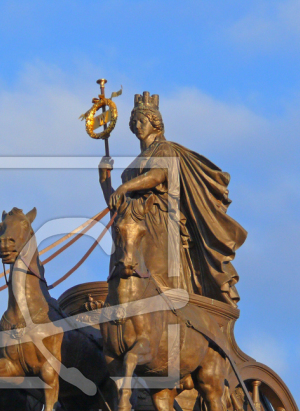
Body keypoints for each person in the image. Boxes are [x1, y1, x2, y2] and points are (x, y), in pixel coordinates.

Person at [99, 92, 247, 306]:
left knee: (158, 279)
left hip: (158, 223)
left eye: (142, 121)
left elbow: (158, 175)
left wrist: (124, 186)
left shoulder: (164, 149)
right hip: (134, 226)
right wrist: (104, 180)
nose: (137, 126)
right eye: (134, 122)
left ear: (155, 124)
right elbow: (118, 205)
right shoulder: (137, 161)